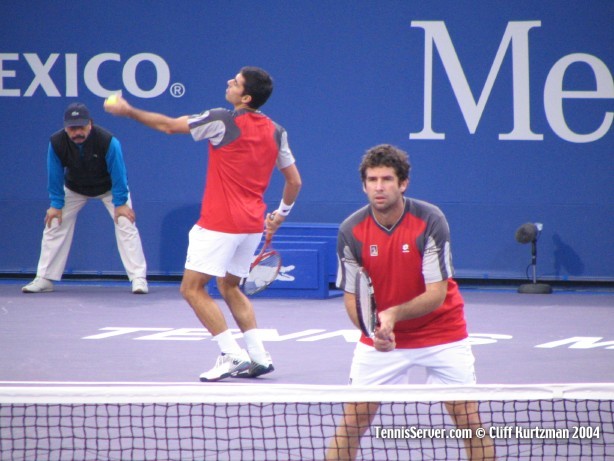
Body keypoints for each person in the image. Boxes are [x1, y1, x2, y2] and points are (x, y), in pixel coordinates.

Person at [104, 66, 302, 382]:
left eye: (235, 82)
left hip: (219, 224)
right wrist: (280, 214)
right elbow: (294, 181)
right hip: (251, 225)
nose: (228, 82)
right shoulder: (278, 131)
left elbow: (169, 127)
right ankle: (260, 356)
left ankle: (231, 354)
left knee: (192, 288)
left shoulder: (222, 120)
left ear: (246, 96)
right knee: (229, 286)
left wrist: (128, 110)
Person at [326, 144, 495, 460]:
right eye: (372, 180)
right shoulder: (351, 230)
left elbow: (436, 293)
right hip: (380, 340)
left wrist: (391, 315)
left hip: (442, 332)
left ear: (402, 183)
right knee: (352, 422)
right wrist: (371, 327)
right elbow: (352, 296)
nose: (379, 187)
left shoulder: (430, 220)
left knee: (468, 420)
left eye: (387, 179)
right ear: (364, 185)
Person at [22, 103, 148, 295]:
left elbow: (119, 173)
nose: (77, 132)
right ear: (65, 127)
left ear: (90, 124)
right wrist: (56, 204)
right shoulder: (56, 142)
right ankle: (45, 277)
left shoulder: (108, 141)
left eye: (81, 127)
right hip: (75, 188)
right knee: (54, 222)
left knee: (125, 223)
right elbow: (54, 174)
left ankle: (138, 278)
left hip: (109, 189)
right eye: (72, 128)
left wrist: (121, 203)